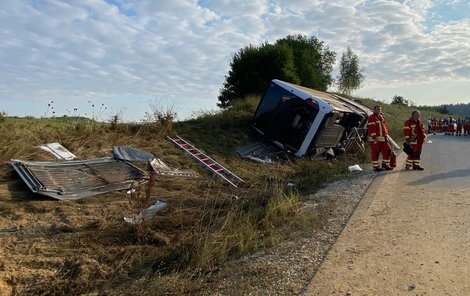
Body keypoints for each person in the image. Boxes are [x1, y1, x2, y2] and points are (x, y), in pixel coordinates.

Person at [368, 106, 393, 172]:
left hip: (383, 138)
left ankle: (385, 164)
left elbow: (384, 127)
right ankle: (376, 167)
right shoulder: (371, 117)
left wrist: (386, 134)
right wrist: (374, 137)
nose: (379, 110)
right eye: (378, 109)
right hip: (376, 139)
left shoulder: (381, 116)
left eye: (380, 109)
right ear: (374, 110)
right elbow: (371, 128)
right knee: (376, 153)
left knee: (388, 150)